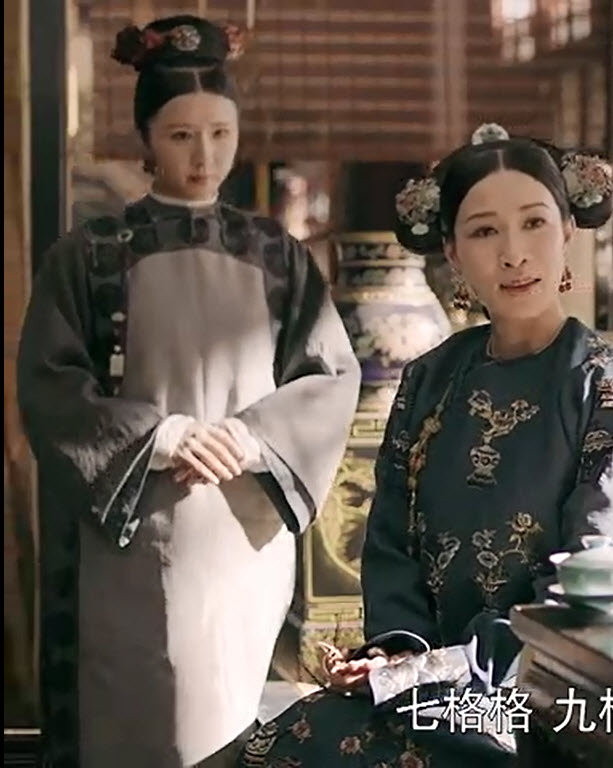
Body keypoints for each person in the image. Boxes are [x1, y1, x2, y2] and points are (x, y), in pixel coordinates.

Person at [239, 123, 613, 766]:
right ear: (451, 250)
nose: (514, 254)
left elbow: (594, 577)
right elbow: (391, 544)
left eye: (534, 223)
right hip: (434, 685)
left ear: (567, 230)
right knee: (281, 742)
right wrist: (397, 656)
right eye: (483, 231)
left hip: (563, 683)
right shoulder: (429, 380)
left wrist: (444, 669)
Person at [16, 16, 361, 767]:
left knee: (230, 717)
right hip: (127, 528)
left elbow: (331, 377)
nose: (204, 156)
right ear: (146, 138)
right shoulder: (89, 255)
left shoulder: (278, 254)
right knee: (133, 720)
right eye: (180, 135)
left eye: (219, 133)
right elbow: (48, 383)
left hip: (241, 527)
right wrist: (161, 434)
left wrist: (250, 435)